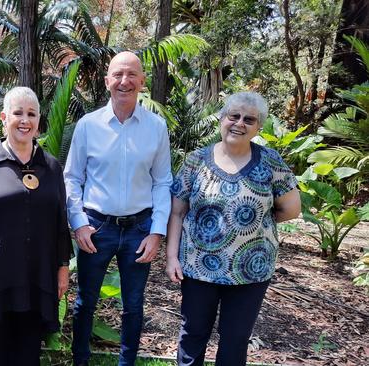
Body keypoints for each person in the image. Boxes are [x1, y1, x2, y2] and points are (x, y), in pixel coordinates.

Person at [166, 92, 301, 366]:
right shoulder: (196, 161)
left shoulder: (271, 162)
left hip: (251, 270)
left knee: (235, 340)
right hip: (198, 268)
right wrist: (171, 258)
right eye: (234, 116)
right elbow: (178, 212)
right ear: (222, 118)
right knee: (192, 334)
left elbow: (291, 209)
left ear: (257, 127)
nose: (239, 123)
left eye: (248, 119)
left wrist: (253, 222)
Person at [64, 51, 173, 366]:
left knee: (134, 305)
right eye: (118, 75)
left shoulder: (156, 127)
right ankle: (80, 361)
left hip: (140, 228)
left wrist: (157, 232)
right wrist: (79, 223)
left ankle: (127, 363)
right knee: (85, 302)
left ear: (142, 81)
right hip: (96, 228)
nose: (124, 82)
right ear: (107, 80)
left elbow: (163, 182)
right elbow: (72, 178)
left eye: (132, 75)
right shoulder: (88, 126)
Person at [0, 86, 72, 365]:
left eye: (31, 114)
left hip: (36, 278)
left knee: (28, 352)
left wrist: (62, 270)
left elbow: (59, 222)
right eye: (18, 113)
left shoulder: (52, 167)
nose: (24, 120)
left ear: (39, 120)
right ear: (4, 118)